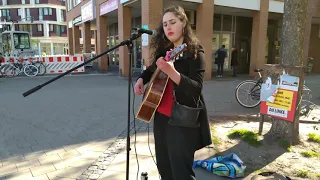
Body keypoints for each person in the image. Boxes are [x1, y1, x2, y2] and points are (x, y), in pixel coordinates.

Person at [133, 5, 212, 180]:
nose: (168, 27)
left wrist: (172, 72)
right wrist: (140, 79)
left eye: (173, 22)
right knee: (164, 167)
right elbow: (150, 70)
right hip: (160, 117)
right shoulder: (165, 52)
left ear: (183, 23)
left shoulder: (195, 52)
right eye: (165, 24)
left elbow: (196, 89)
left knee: (181, 172)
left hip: (182, 120)